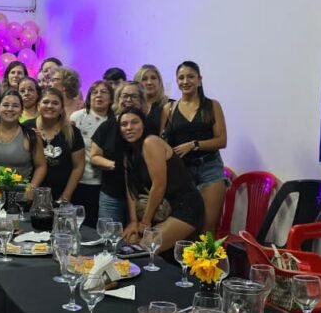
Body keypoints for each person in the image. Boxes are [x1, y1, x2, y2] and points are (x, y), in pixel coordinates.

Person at [119, 107, 201, 253]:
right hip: (162, 208)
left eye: (134, 122)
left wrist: (145, 222)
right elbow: (130, 188)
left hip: (184, 207)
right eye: (124, 124)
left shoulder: (151, 142)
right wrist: (133, 221)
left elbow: (159, 185)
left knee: (144, 249)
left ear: (143, 124)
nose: (129, 128)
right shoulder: (128, 153)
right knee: (128, 242)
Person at [160, 61, 228, 234]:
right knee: (187, 225)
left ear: (199, 80)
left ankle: (206, 254)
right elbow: (163, 141)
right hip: (182, 171)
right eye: (181, 77)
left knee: (208, 228)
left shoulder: (212, 105)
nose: (185, 81)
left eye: (190, 76)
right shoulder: (169, 108)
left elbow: (221, 140)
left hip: (209, 168)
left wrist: (194, 145)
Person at [89, 81, 145, 224]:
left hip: (142, 196)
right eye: (124, 96)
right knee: (108, 234)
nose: (128, 100)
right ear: (118, 99)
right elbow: (94, 156)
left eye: (134, 96)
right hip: (111, 194)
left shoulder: (148, 126)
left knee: (137, 235)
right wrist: (114, 165)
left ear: (141, 100)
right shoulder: (107, 126)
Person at [0, 89, 47, 192]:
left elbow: (41, 166)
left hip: (23, 194)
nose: (10, 109)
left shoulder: (31, 136)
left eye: (15, 106)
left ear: (21, 111)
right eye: (6, 105)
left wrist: (32, 188)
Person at [25, 88, 84, 204]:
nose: (50, 106)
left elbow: (78, 167)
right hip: (29, 195)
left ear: (61, 108)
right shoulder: (26, 128)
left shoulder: (72, 132)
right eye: (46, 102)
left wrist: (66, 196)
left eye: (55, 103)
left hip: (61, 196)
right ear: (38, 105)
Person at [70, 80, 114, 228]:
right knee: (78, 222)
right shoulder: (77, 117)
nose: (98, 95)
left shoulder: (115, 121)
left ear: (111, 98)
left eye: (104, 92)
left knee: (97, 225)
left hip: (104, 182)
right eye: (94, 92)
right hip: (79, 179)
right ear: (89, 97)